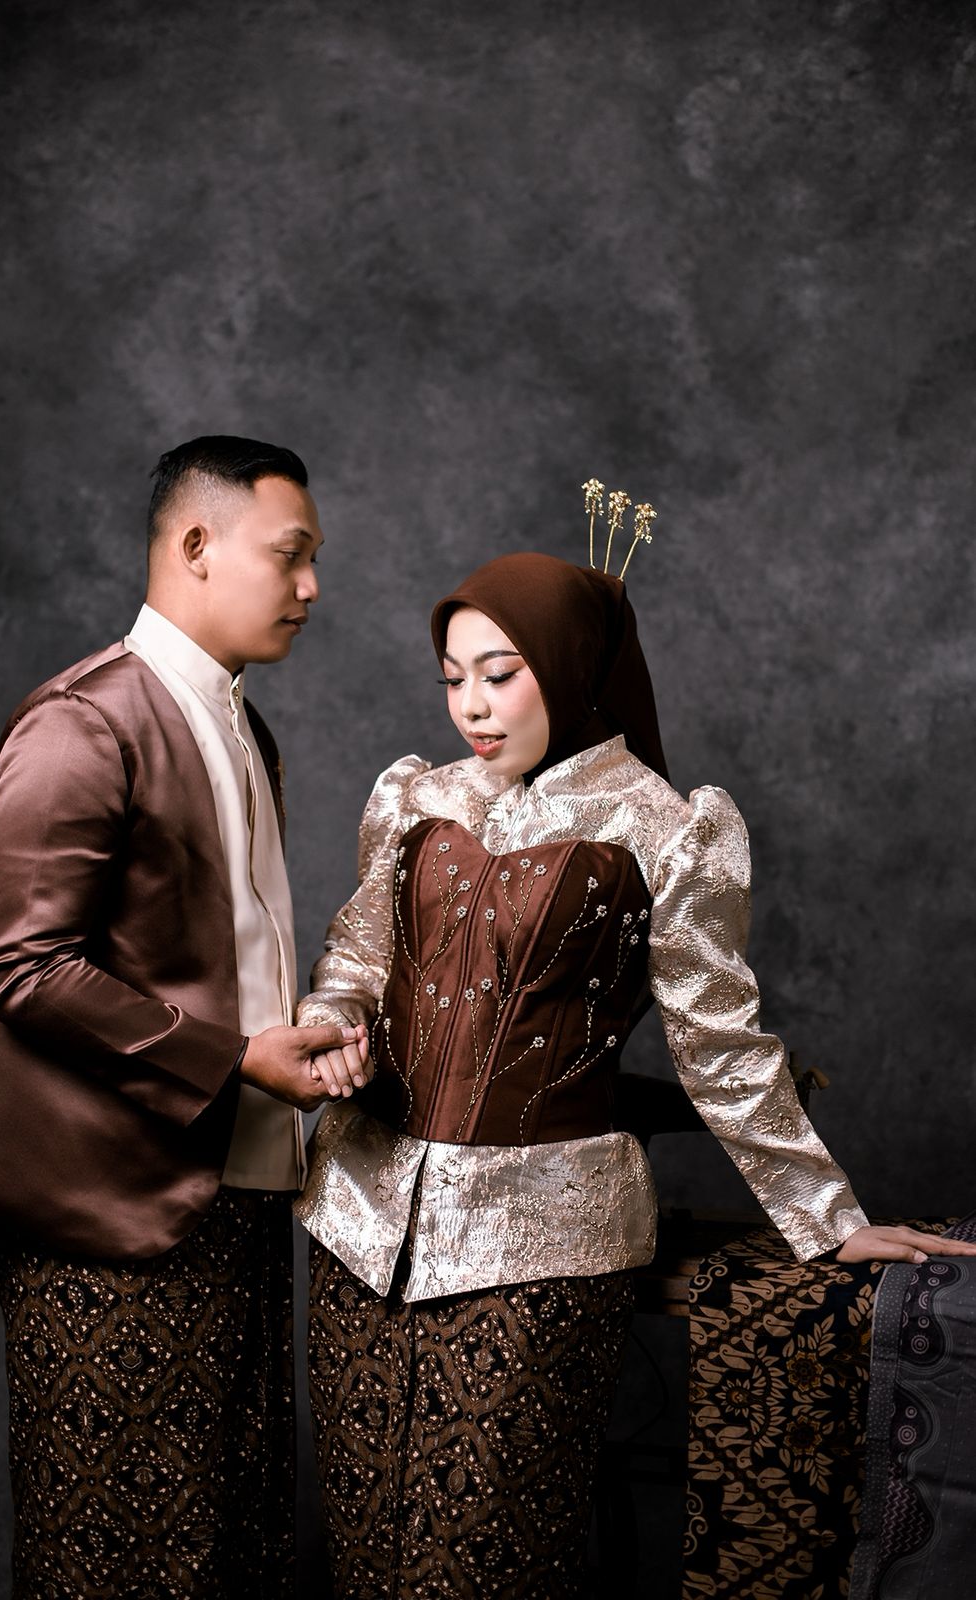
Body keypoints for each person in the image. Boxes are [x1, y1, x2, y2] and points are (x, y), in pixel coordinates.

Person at [294, 549, 976, 1600]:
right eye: (453, 677)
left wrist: (827, 1217)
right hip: (358, 1224)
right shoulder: (416, 796)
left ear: (572, 664)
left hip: (541, 1245)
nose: (471, 704)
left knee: (489, 1558)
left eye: (500, 673)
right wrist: (332, 1020)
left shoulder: (666, 828)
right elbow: (357, 956)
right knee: (365, 1547)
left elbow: (720, 1046)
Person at [0, 435, 369, 1600]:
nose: (312, 585)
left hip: (237, 1198)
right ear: (196, 544)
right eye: (291, 554)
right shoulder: (83, 722)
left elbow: (226, 961)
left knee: (231, 1546)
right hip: (109, 1219)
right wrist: (239, 1057)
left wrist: (312, 1030)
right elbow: (23, 969)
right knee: (114, 1557)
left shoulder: (243, 726)